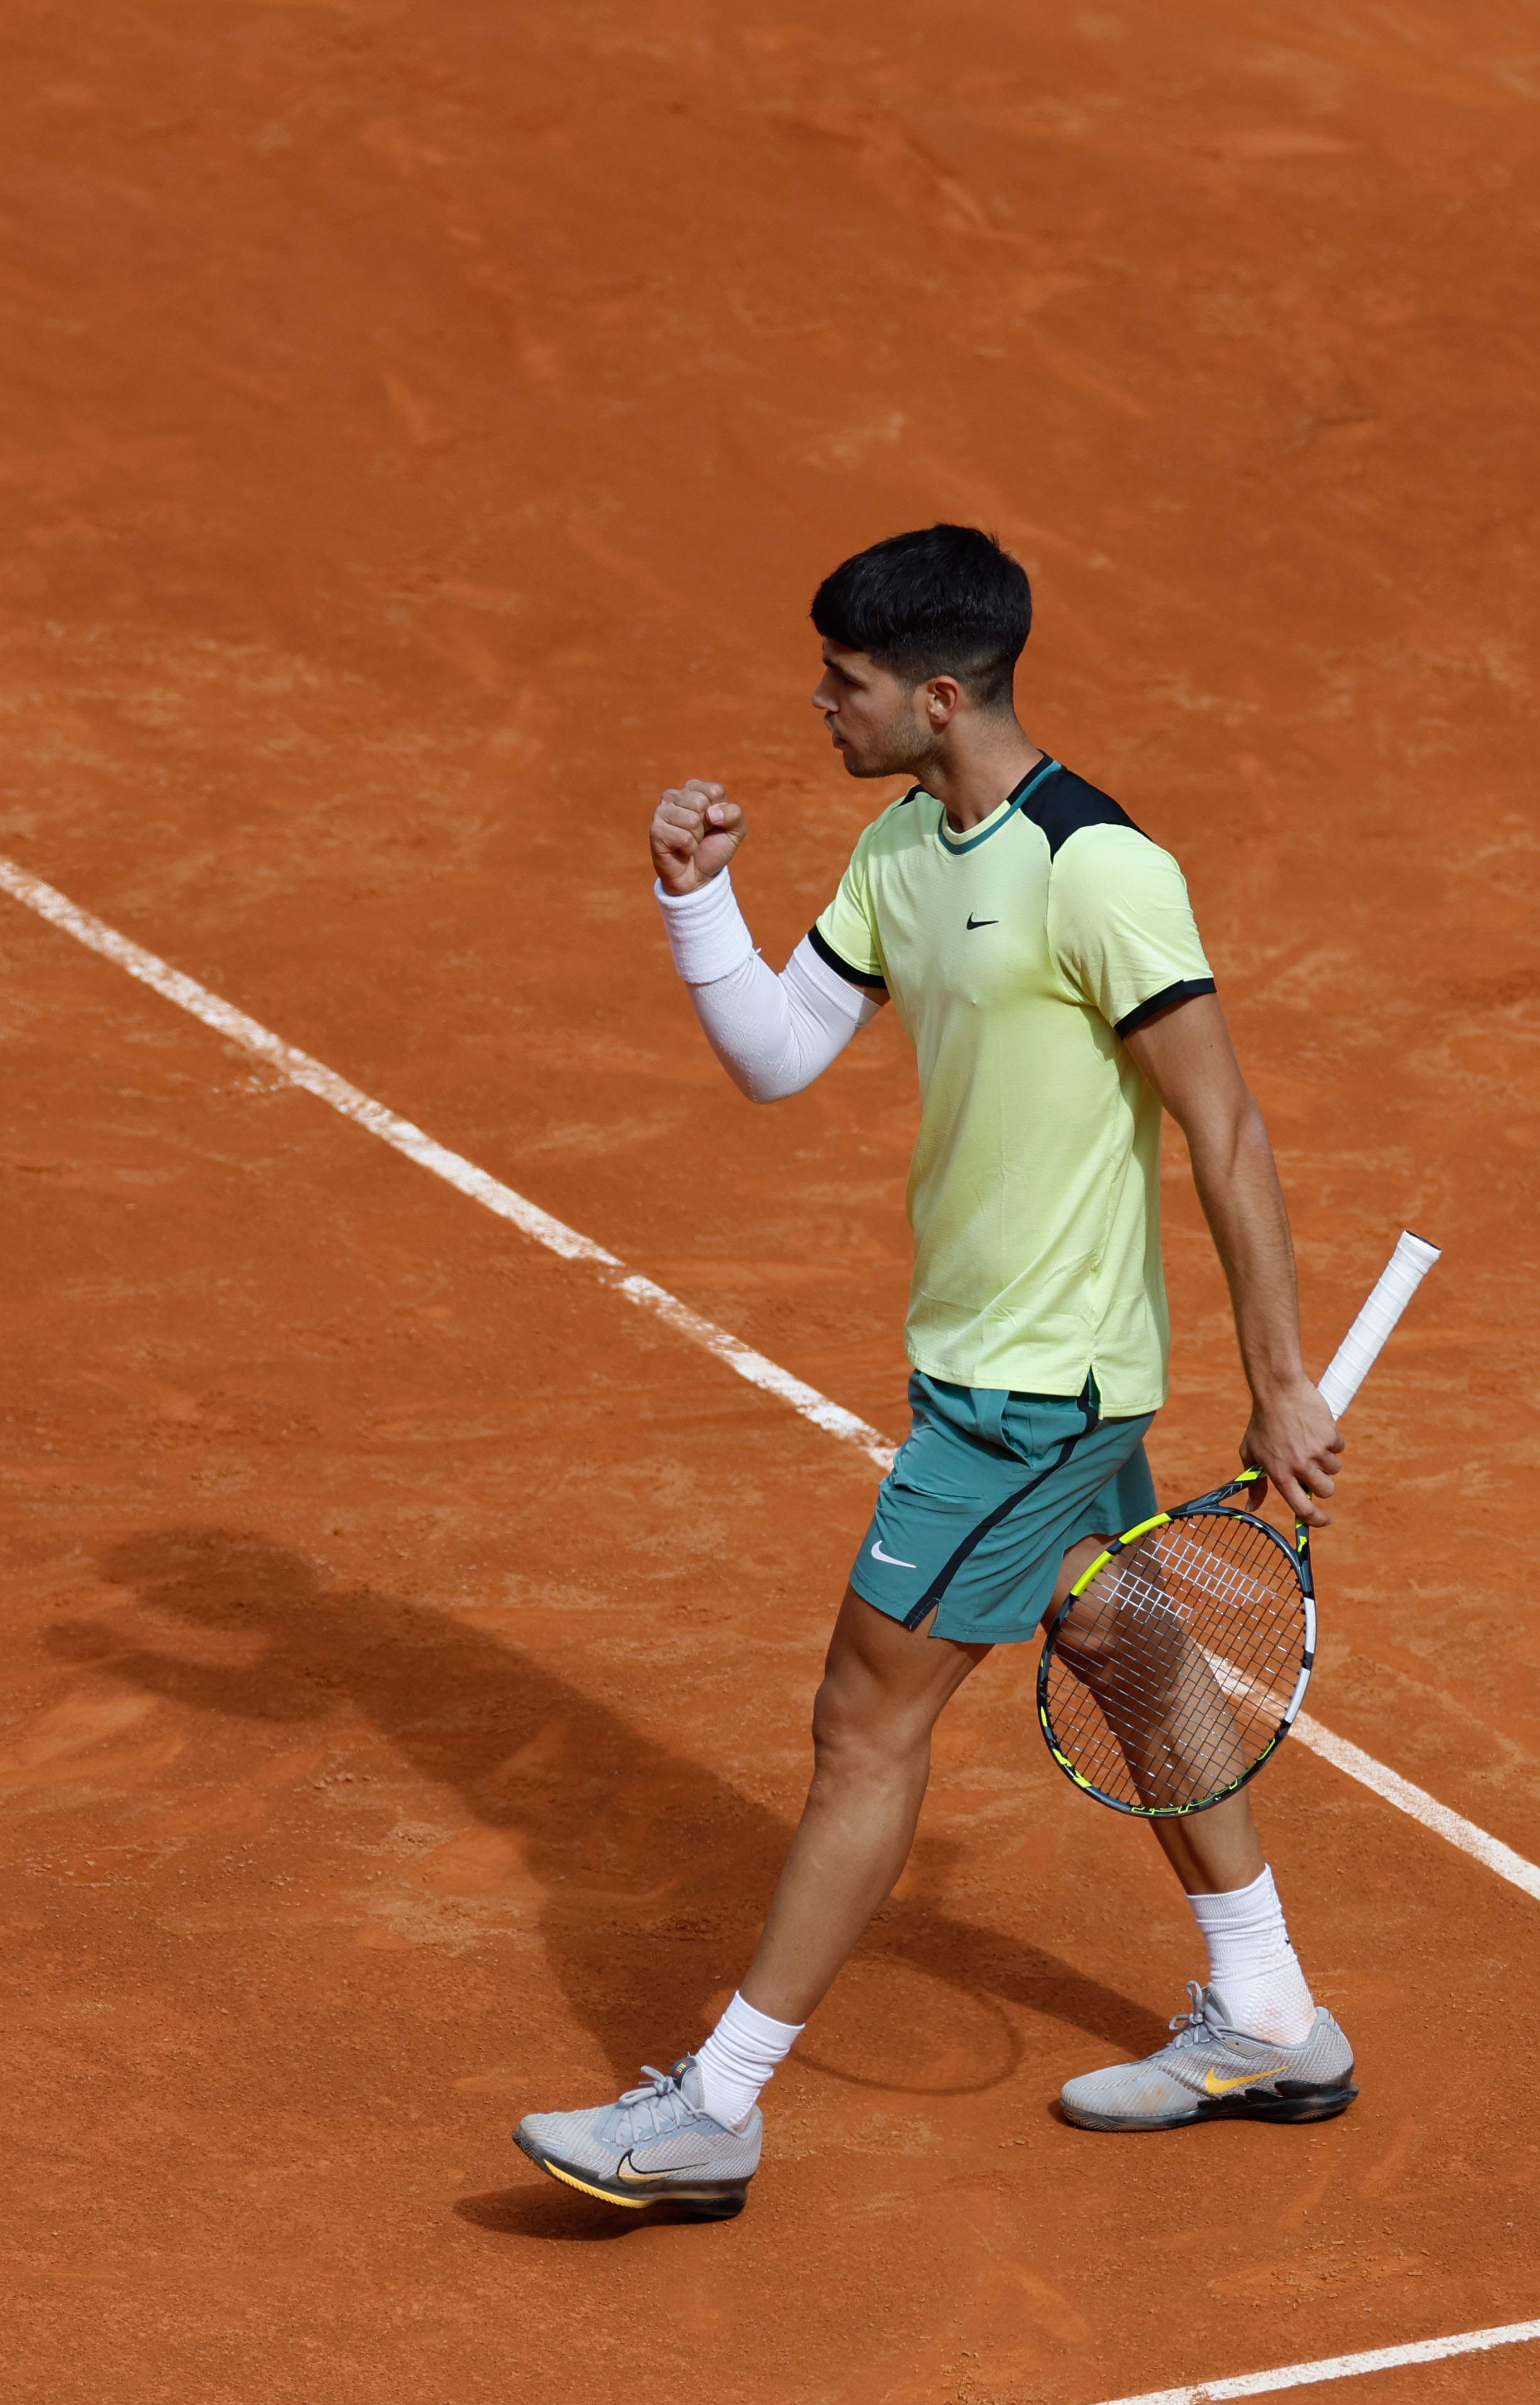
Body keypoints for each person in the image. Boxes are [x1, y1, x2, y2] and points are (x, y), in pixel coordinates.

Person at [511, 524, 1355, 2219]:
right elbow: (778, 1054)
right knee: (1125, 1635)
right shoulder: (904, 850)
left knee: (861, 1726)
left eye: (848, 682)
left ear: (940, 692)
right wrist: (694, 902)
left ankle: (714, 2111)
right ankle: (1269, 2014)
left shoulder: (1101, 872)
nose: (822, 707)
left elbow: (1228, 1126)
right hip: (980, 1360)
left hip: (1039, 1391)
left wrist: (1281, 1380)